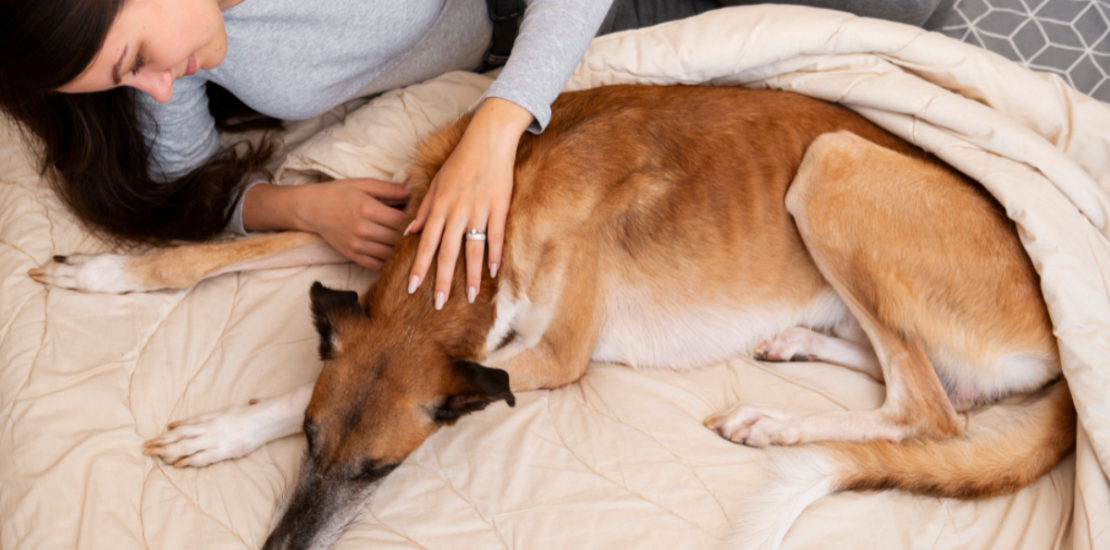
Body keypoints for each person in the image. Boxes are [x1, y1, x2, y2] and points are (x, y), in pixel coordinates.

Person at [0, 0, 944, 309]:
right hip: (546, 46)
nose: (153, 89)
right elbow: (173, 179)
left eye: (134, 60)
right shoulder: (185, 52)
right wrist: (299, 207)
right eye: (126, 86)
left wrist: (500, 126)